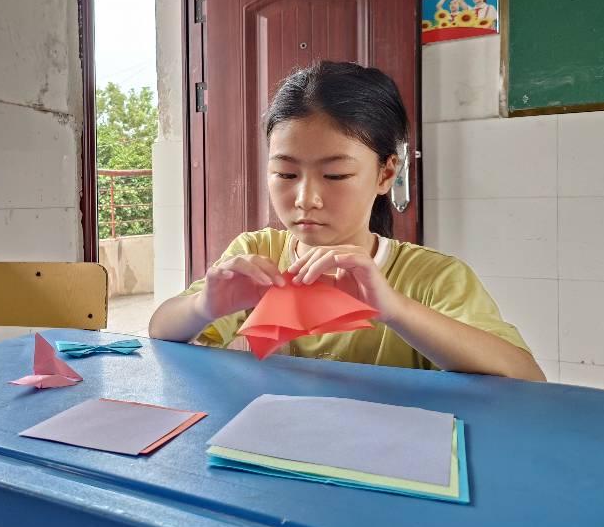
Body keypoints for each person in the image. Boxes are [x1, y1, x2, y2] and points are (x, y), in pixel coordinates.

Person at [149, 61, 545, 380]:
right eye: (285, 175)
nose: (305, 199)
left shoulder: (433, 279)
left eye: (335, 175)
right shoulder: (256, 254)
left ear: (386, 174)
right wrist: (203, 306)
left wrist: (394, 309)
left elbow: (527, 378)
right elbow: (161, 330)